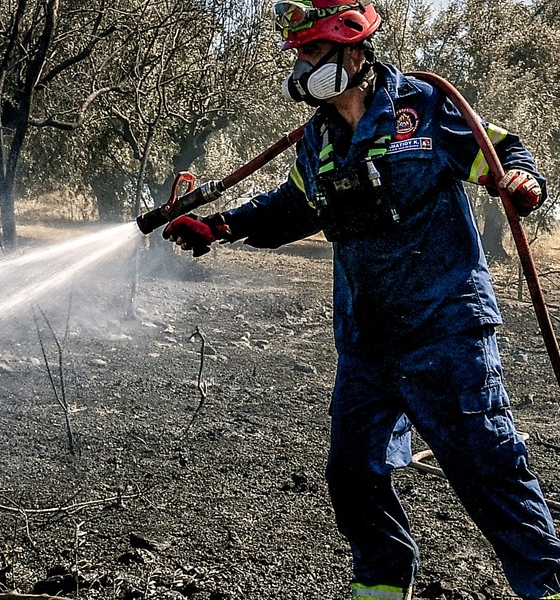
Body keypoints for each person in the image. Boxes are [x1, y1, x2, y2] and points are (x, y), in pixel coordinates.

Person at [162, 1, 560, 598]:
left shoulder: (426, 109)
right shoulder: (318, 136)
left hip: (444, 329)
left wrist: (523, 183)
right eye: (299, 55)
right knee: (352, 474)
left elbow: (505, 151)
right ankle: (379, 584)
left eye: (314, 52)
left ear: (353, 48)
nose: (303, 66)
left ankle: (548, 587)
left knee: (488, 469)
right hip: (367, 342)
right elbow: (293, 206)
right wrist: (220, 226)